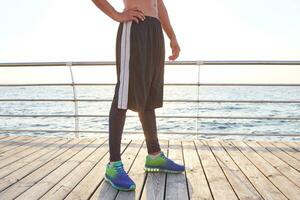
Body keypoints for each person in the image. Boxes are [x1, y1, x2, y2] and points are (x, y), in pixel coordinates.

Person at [91, 0, 185, 191]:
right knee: (123, 95)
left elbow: (159, 4)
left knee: (149, 95)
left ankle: (154, 155)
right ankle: (113, 165)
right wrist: (117, 14)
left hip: (154, 30)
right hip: (135, 27)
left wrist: (172, 36)